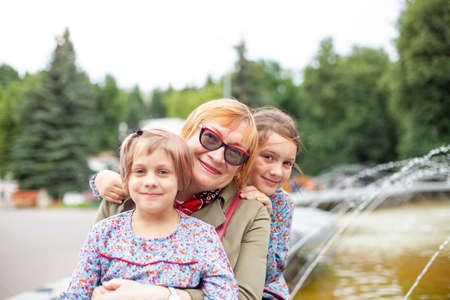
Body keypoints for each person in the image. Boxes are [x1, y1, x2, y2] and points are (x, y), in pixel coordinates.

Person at [90, 99, 270, 300]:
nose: (218, 157)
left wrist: (165, 296)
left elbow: (246, 297)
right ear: (188, 132)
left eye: (235, 153)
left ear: (240, 168)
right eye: (210, 137)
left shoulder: (251, 214)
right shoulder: (125, 193)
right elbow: (88, 279)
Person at [59, 129, 238, 300]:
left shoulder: (202, 236)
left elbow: (225, 295)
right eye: (140, 171)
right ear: (126, 178)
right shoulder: (104, 233)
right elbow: (76, 294)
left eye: (163, 172)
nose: (150, 182)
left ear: (181, 180)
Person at [239, 107, 300, 300]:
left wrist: (266, 219)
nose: (277, 171)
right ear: (247, 152)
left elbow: (271, 273)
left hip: (266, 293)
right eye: (268, 157)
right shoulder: (225, 188)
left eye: (287, 163)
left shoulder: (282, 204)